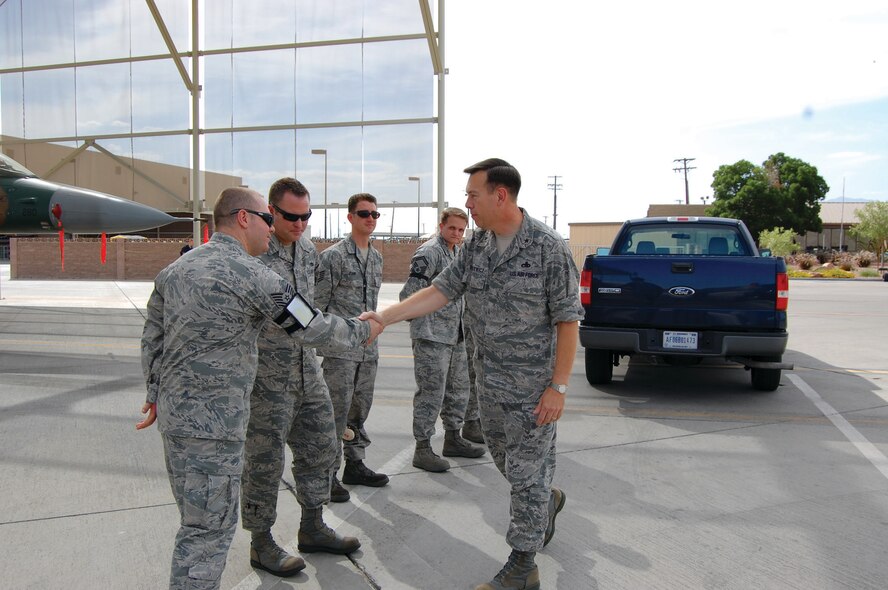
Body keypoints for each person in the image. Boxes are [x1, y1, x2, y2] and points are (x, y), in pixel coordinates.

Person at [137, 187, 381, 590]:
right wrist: (366, 328)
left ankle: (313, 524)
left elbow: (153, 335)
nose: (275, 227)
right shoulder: (254, 274)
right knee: (207, 531)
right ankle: (257, 544)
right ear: (245, 218)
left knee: (201, 521)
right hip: (219, 420)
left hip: (182, 417)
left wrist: (154, 392)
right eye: (269, 219)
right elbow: (311, 324)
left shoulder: (176, 270)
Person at [379, 159, 583, 590]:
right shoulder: (478, 246)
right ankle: (546, 500)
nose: (467, 203)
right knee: (508, 464)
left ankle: (522, 567)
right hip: (486, 385)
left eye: (473, 194)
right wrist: (385, 317)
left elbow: (568, 321)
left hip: (533, 392)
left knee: (525, 473)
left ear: (500, 195)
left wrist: (558, 387)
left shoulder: (548, 247)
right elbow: (439, 290)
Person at [240, 178, 360, 579]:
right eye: (292, 216)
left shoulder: (307, 251)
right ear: (270, 211)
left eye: (307, 216)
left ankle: (312, 525)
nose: (301, 223)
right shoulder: (253, 251)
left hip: (306, 370)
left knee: (322, 446)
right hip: (267, 377)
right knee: (264, 460)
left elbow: (313, 308)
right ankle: (261, 542)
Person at [399, 207, 485, 472]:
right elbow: (410, 295)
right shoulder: (429, 253)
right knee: (430, 393)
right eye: (452, 228)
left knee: (458, 389)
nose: (457, 234)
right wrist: (424, 327)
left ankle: (453, 437)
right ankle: (422, 448)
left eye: (461, 230)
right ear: (441, 226)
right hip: (432, 336)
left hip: (455, 333)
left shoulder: (457, 252)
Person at [315, 193, 389, 489]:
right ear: (350, 217)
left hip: (368, 351)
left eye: (374, 214)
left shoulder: (377, 257)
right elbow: (317, 306)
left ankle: (355, 464)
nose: (370, 219)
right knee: (335, 412)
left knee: (359, 410)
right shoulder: (333, 257)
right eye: (363, 213)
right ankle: (327, 474)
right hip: (340, 352)